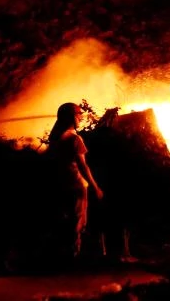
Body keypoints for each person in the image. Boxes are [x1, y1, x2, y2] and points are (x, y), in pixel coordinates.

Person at [47, 102, 104, 261]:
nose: (81, 117)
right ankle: (74, 255)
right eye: (79, 114)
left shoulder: (55, 138)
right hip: (76, 185)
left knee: (64, 218)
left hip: (61, 183)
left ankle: (64, 252)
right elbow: (83, 166)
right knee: (77, 221)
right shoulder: (74, 139)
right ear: (72, 117)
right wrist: (95, 186)